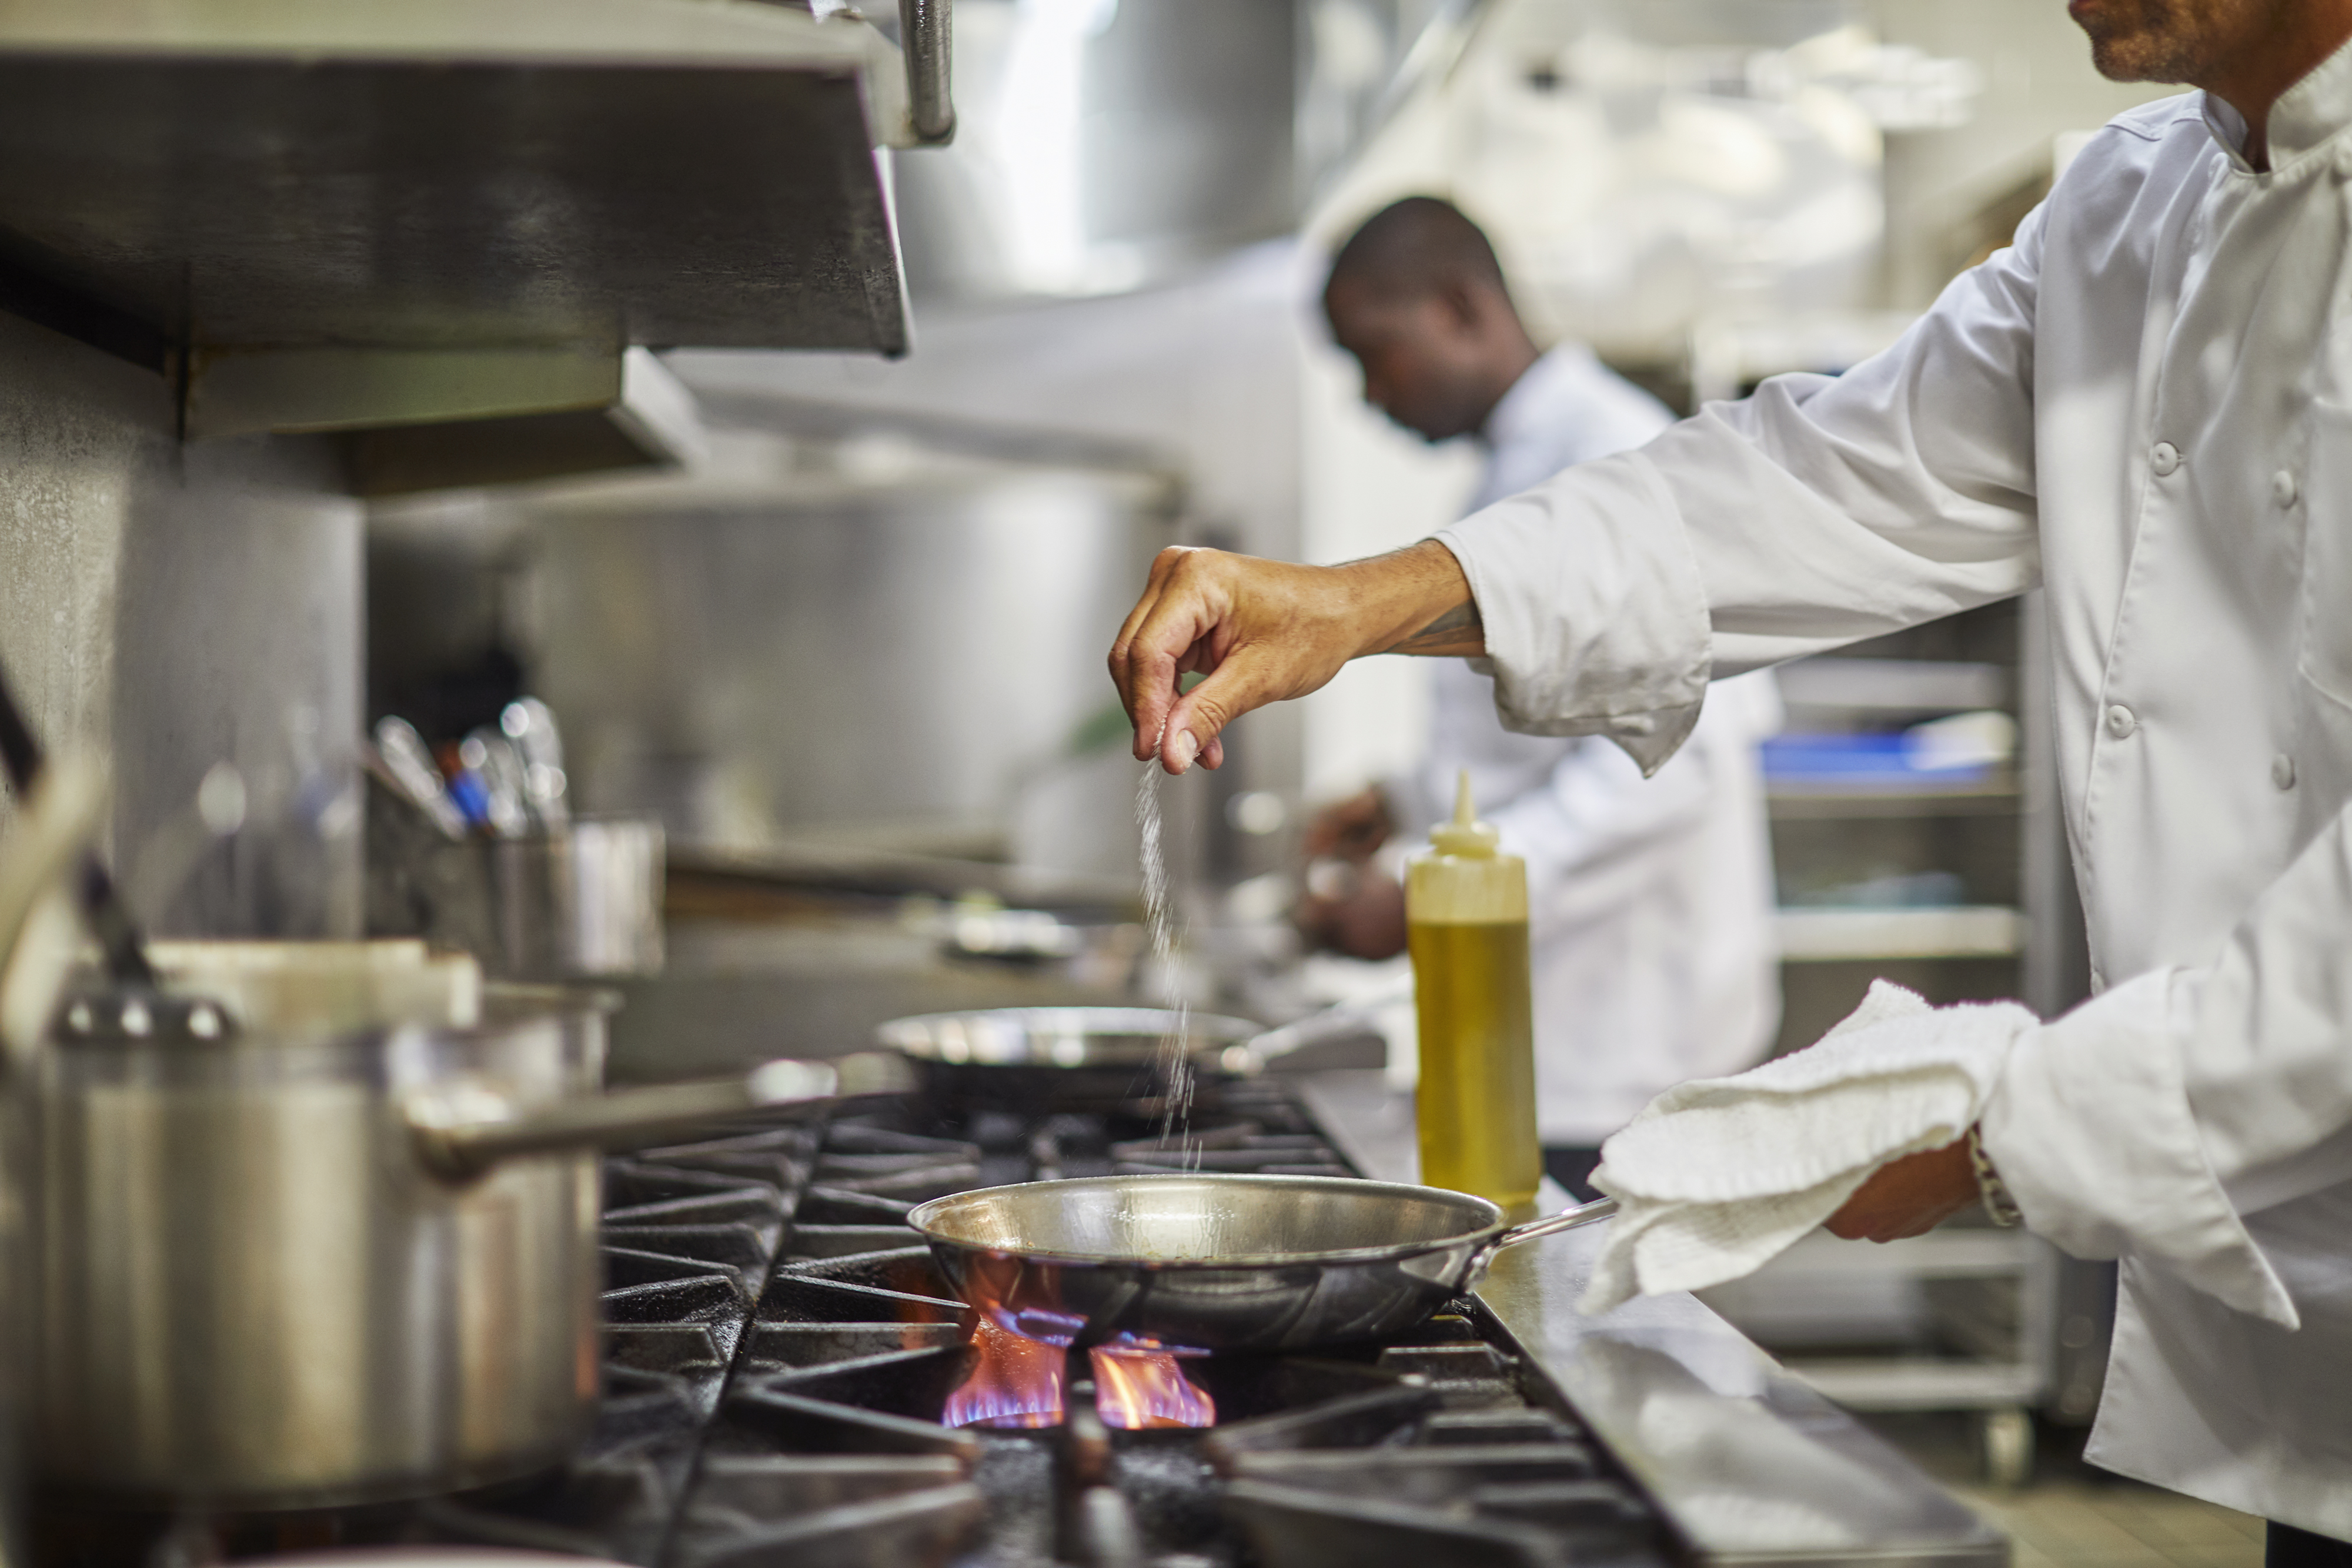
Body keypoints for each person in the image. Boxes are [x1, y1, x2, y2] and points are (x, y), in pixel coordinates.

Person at [1108, 0, 2352, 1550]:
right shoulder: (2129, 207)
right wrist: (1360, 600)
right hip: (2306, 1332)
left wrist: (2013, 1125)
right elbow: (1808, 483)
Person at [1295, 198, 1783, 1199]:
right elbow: (1545, 725)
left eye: (1375, 352)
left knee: (1607, 1336)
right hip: (1547, 1031)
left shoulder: (1611, 453)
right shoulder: (1519, 465)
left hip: (1621, 1038)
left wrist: (1436, 898)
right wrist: (1405, 796)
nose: (1367, 392)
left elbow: (1676, 762)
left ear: (1461, 308)